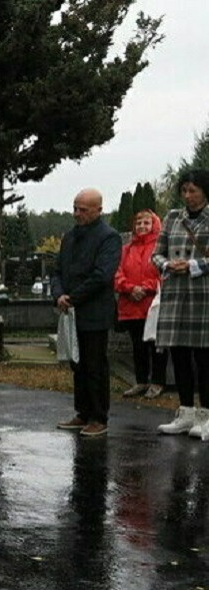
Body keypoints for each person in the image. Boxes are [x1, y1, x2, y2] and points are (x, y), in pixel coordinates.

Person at [52, 188, 122, 438]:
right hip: (71, 312)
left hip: (94, 312)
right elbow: (57, 271)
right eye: (75, 208)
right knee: (78, 365)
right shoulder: (70, 237)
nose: (76, 213)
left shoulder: (109, 237)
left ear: (98, 210)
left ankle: (98, 416)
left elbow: (102, 276)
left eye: (82, 209)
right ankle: (82, 411)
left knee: (95, 365)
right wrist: (58, 294)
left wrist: (72, 298)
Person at [153, 169, 209, 438]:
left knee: (204, 358)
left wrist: (193, 265)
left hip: (203, 295)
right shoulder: (173, 217)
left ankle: (206, 415)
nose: (187, 196)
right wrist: (166, 264)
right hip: (175, 295)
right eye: (184, 190)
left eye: (193, 190)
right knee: (179, 355)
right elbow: (156, 254)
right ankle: (185, 412)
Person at [114, 209, 167, 399]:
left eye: (146, 223)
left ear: (154, 225)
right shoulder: (126, 250)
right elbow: (117, 274)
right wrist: (130, 288)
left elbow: (164, 274)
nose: (142, 227)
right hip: (131, 306)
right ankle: (141, 381)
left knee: (157, 346)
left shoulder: (160, 248)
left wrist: (145, 287)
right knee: (138, 346)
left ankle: (158, 382)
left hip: (153, 305)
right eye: (138, 223)